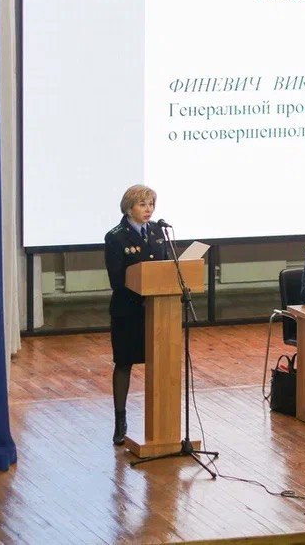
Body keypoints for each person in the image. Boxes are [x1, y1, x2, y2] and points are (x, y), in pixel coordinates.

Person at [104, 184, 170, 445]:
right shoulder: (116, 237)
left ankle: (162, 418)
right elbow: (116, 279)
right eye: (143, 205)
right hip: (128, 311)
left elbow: (166, 268)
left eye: (151, 204)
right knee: (124, 363)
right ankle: (120, 421)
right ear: (129, 208)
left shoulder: (157, 231)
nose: (148, 209)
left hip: (157, 310)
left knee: (160, 362)